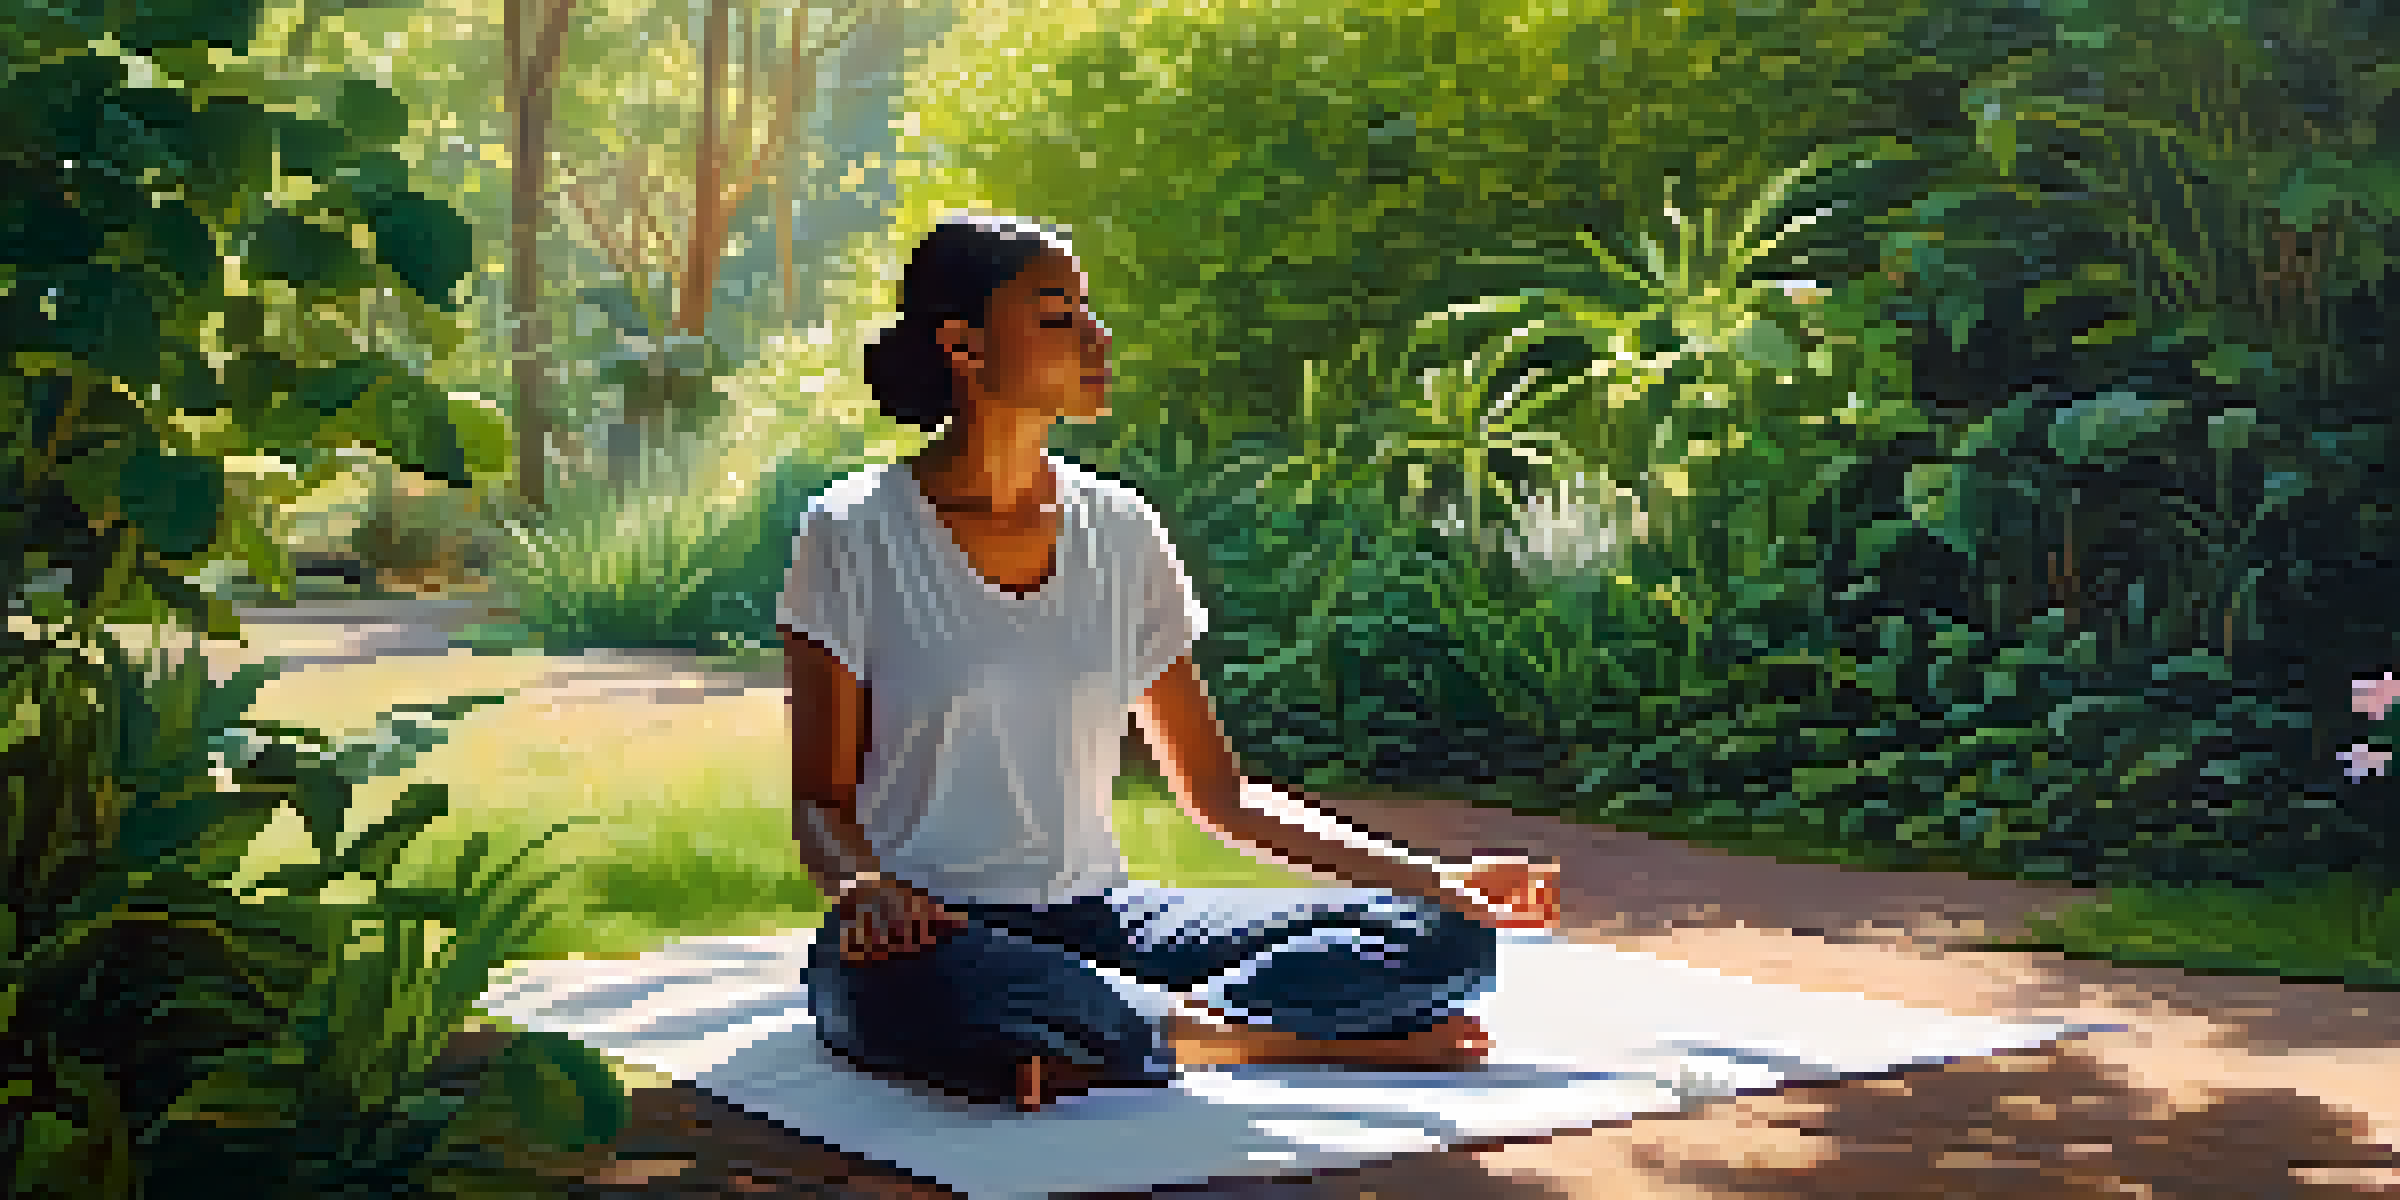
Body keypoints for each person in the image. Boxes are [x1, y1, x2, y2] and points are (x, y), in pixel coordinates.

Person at [779, 213, 1561, 1114]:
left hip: (1106, 917)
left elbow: (1219, 795)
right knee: (910, 990)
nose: (1096, 337)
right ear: (964, 345)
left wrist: (1438, 878)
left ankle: (1105, 1040)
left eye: (1087, 311)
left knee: (1443, 939)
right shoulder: (852, 532)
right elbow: (820, 803)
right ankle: (1280, 1040)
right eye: (1057, 316)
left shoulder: (1123, 530)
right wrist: (867, 890)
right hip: (935, 932)